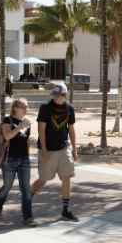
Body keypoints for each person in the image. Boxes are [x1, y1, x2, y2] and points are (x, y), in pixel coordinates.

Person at [30, 82, 79, 222]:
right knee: (44, 178)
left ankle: (66, 209)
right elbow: (41, 129)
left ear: (65, 94)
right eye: (54, 94)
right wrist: (44, 149)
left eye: (58, 95)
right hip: (48, 149)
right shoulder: (46, 107)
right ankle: (28, 196)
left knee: (66, 177)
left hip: (64, 148)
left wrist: (74, 149)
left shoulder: (69, 108)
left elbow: (71, 129)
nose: (55, 97)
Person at [0, 97, 36, 226]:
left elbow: (26, 141)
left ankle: (28, 217)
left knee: (26, 188)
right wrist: (20, 127)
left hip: (23, 159)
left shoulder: (26, 123)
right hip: (9, 159)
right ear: (15, 108)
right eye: (23, 107)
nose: (25, 109)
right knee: (7, 186)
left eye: (27, 107)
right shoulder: (8, 120)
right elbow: (7, 136)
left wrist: (27, 157)